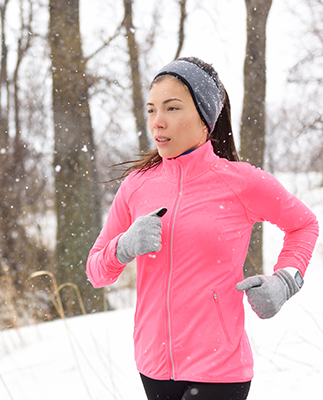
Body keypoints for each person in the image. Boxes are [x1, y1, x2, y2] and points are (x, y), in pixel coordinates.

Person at [86, 57, 319, 400]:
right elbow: (96, 272)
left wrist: (286, 279)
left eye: (172, 108)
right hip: (153, 366)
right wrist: (123, 246)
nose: (158, 122)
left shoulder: (241, 183)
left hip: (219, 369)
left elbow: (304, 225)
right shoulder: (136, 186)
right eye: (151, 110)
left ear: (205, 117)